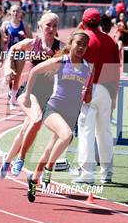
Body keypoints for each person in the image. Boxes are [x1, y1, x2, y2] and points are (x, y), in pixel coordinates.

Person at [24, 30, 91, 202]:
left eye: (85, 45)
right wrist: (27, 96)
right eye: (78, 44)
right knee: (66, 135)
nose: (81, 47)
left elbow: (87, 98)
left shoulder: (87, 68)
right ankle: (48, 170)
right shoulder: (62, 61)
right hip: (53, 109)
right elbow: (34, 72)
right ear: (71, 44)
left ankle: (33, 179)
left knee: (49, 149)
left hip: (71, 114)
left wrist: (87, 93)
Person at [0, 12, 62, 179]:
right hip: (28, 91)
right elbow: (12, 49)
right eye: (48, 25)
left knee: (26, 129)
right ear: (40, 25)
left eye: (54, 25)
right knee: (36, 119)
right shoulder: (32, 43)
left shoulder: (60, 48)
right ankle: (21, 158)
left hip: (47, 95)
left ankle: (7, 160)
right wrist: (8, 69)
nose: (51, 28)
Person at [72, 8, 120, 185]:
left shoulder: (83, 40)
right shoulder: (111, 41)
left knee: (86, 132)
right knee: (105, 132)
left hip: (89, 88)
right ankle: (107, 172)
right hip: (107, 90)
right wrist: (114, 96)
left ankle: (86, 174)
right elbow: (115, 71)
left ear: (84, 22)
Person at [1, 4, 32, 108]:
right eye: (13, 11)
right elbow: (0, 38)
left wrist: (24, 35)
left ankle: (12, 100)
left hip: (20, 53)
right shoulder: (5, 24)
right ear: (10, 12)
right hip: (9, 52)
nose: (15, 13)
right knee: (10, 75)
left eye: (17, 11)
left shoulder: (24, 25)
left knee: (17, 77)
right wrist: (4, 39)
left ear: (20, 13)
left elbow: (31, 40)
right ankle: (10, 92)